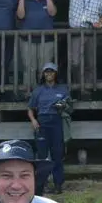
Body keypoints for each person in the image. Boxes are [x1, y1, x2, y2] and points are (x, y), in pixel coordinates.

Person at [27, 62, 69, 195]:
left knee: (57, 154)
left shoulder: (62, 89)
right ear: (43, 74)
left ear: (55, 74)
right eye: (46, 72)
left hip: (57, 121)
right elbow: (30, 109)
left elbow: (70, 106)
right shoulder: (38, 90)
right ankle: (41, 184)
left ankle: (58, 184)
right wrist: (33, 120)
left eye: (51, 72)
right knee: (42, 156)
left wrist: (63, 106)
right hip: (42, 122)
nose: (49, 74)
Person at [15, 0, 58, 84]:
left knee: (45, 68)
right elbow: (20, 16)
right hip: (27, 40)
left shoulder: (47, 0)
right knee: (29, 68)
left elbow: (52, 13)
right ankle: (29, 94)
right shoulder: (25, 1)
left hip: (46, 40)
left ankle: (44, 92)